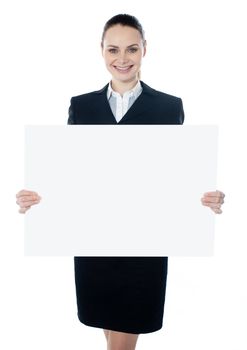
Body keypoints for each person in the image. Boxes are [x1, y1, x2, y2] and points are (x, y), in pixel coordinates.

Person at [16, 14, 225, 350]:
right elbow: (70, 172)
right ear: (101, 51)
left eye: (132, 49)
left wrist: (205, 196)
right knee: (109, 328)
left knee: (123, 336)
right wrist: (38, 197)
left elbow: (178, 173)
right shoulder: (81, 106)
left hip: (144, 243)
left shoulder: (169, 108)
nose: (122, 58)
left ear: (145, 50)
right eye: (113, 49)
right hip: (94, 240)